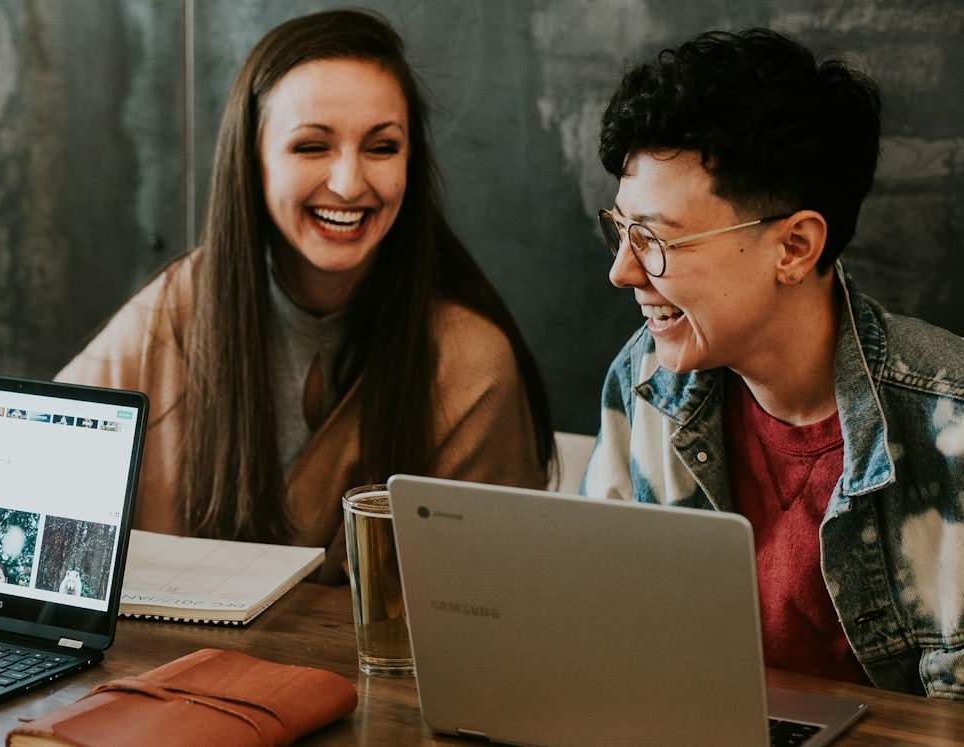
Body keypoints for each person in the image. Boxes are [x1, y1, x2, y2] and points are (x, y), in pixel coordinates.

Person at [59, 9, 554, 582]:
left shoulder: (470, 362)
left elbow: (490, 608)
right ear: (253, 161)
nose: (349, 183)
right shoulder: (176, 309)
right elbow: (36, 465)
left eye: (382, 147)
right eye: (311, 147)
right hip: (161, 670)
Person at [581, 29, 964, 698]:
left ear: (794, 246)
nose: (622, 270)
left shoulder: (950, 423)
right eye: (622, 229)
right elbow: (601, 635)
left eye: (656, 239)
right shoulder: (645, 380)